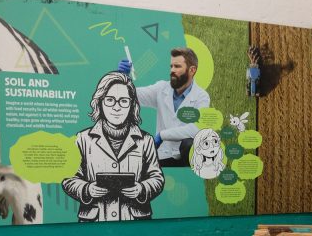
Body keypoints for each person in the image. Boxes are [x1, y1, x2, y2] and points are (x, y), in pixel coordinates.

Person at [61, 72, 164, 222]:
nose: (117, 107)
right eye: (110, 100)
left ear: (132, 104)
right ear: (100, 102)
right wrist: (87, 189)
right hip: (95, 222)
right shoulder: (82, 139)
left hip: (135, 222)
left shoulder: (145, 140)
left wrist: (141, 189)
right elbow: (69, 178)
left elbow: (157, 178)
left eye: (123, 101)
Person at [119, 47, 210, 167]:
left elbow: (196, 129)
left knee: (189, 144)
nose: (172, 70)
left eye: (177, 66)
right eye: (171, 66)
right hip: (162, 155)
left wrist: (162, 135)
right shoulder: (161, 89)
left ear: (192, 70)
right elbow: (132, 97)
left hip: (187, 158)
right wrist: (121, 79)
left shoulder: (201, 96)